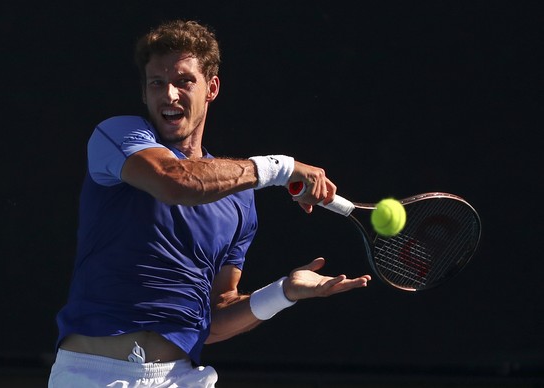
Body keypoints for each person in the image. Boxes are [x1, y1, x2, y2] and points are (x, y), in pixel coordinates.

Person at [48, 19, 371, 388]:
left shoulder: (239, 199)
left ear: (211, 88)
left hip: (181, 378)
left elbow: (213, 319)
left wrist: (283, 292)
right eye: (157, 83)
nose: (168, 94)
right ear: (144, 92)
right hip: (95, 375)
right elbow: (176, 181)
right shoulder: (117, 136)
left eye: (184, 81)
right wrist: (281, 167)